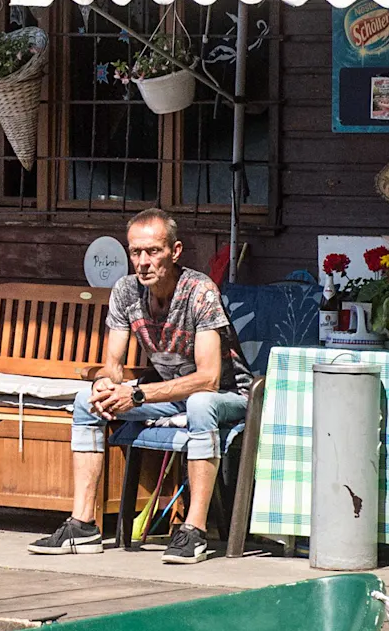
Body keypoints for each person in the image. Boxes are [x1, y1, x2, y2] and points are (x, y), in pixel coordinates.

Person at [33, 206, 249, 565]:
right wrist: (104, 385)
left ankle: (194, 531)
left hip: (227, 397)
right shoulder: (126, 291)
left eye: (153, 251)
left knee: (199, 403)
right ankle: (83, 526)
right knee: (86, 401)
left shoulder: (199, 291)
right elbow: (113, 366)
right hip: (169, 393)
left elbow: (208, 378)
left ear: (175, 251)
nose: (143, 262)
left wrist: (137, 394)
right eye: (136, 252)